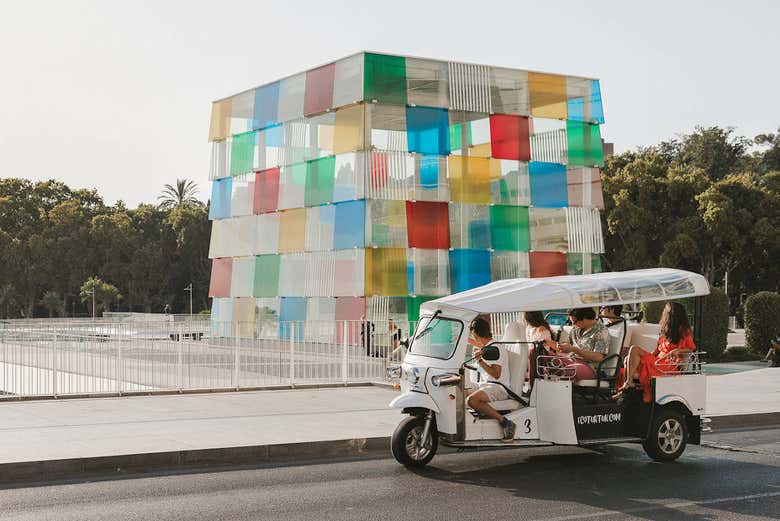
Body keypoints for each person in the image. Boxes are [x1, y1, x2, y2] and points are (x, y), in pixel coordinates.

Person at [615, 302, 695, 402]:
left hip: (667, 366)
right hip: (658, 361)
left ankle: (628, 383)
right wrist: (646, 357)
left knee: (634, 349)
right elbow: (657, 349)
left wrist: (677, 350)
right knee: (628, 358)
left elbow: (690, 349)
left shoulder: (683, 331)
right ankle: (624, 392)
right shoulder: (666, 331)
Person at [465, 317, 517, 442]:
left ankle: (505, 422)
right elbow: (478, 343)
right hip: (484, 384)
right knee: (459, 389)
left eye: (473, 335)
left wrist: (480, 361)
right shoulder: (487, 346)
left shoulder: (495, 349)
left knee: (471, 400)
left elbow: (496, 374)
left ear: (476, 334)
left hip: (498, 387)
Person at [543, 307, 610, 382]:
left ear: (584, 318)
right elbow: (568, 348)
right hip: (571, 360)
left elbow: (599, 357)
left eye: (574, 321)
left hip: (590, 367)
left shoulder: (601, 330)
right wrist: (549, 343)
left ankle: (554, 386)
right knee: (538, 353)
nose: (572, 324)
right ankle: (533, 389)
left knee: (568, 369)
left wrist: (574, 350)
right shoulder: (575, 329)